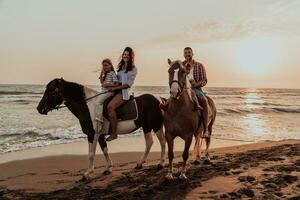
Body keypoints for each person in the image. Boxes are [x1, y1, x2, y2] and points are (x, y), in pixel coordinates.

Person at [105, 47, 137, 141]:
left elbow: (128, 85)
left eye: (127, 54)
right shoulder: (121, 68)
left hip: (124, 93)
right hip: (115, 91)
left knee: (110, 107)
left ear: (131, 56)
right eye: (124, 54)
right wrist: (108, 85)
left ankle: (114, 134)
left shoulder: (133, 69)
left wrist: (115, 88)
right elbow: (117, 81)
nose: (125, 56)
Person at [182, 47, 210, 137]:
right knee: (171, 100)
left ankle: (205, 129)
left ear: (192, 54)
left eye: (189, 52)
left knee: (204, 101)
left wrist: (196, 84)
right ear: (183, 54)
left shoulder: (199, 65)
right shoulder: (181, 65)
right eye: (185, 53)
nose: (187, 54)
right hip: (183, 90)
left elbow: (204, 80)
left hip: (196, 89)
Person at [94, 58, 119, 133]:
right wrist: (102, 73)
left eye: (106, 65)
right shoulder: (106, 74)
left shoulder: (112, 73)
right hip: (104, 92)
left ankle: (99, 121)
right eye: (103, 66)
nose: (105, 67)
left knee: (97, 102)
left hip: (109, 92)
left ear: (110, 65)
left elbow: (116, 83)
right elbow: (102, 83)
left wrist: (108, 84)